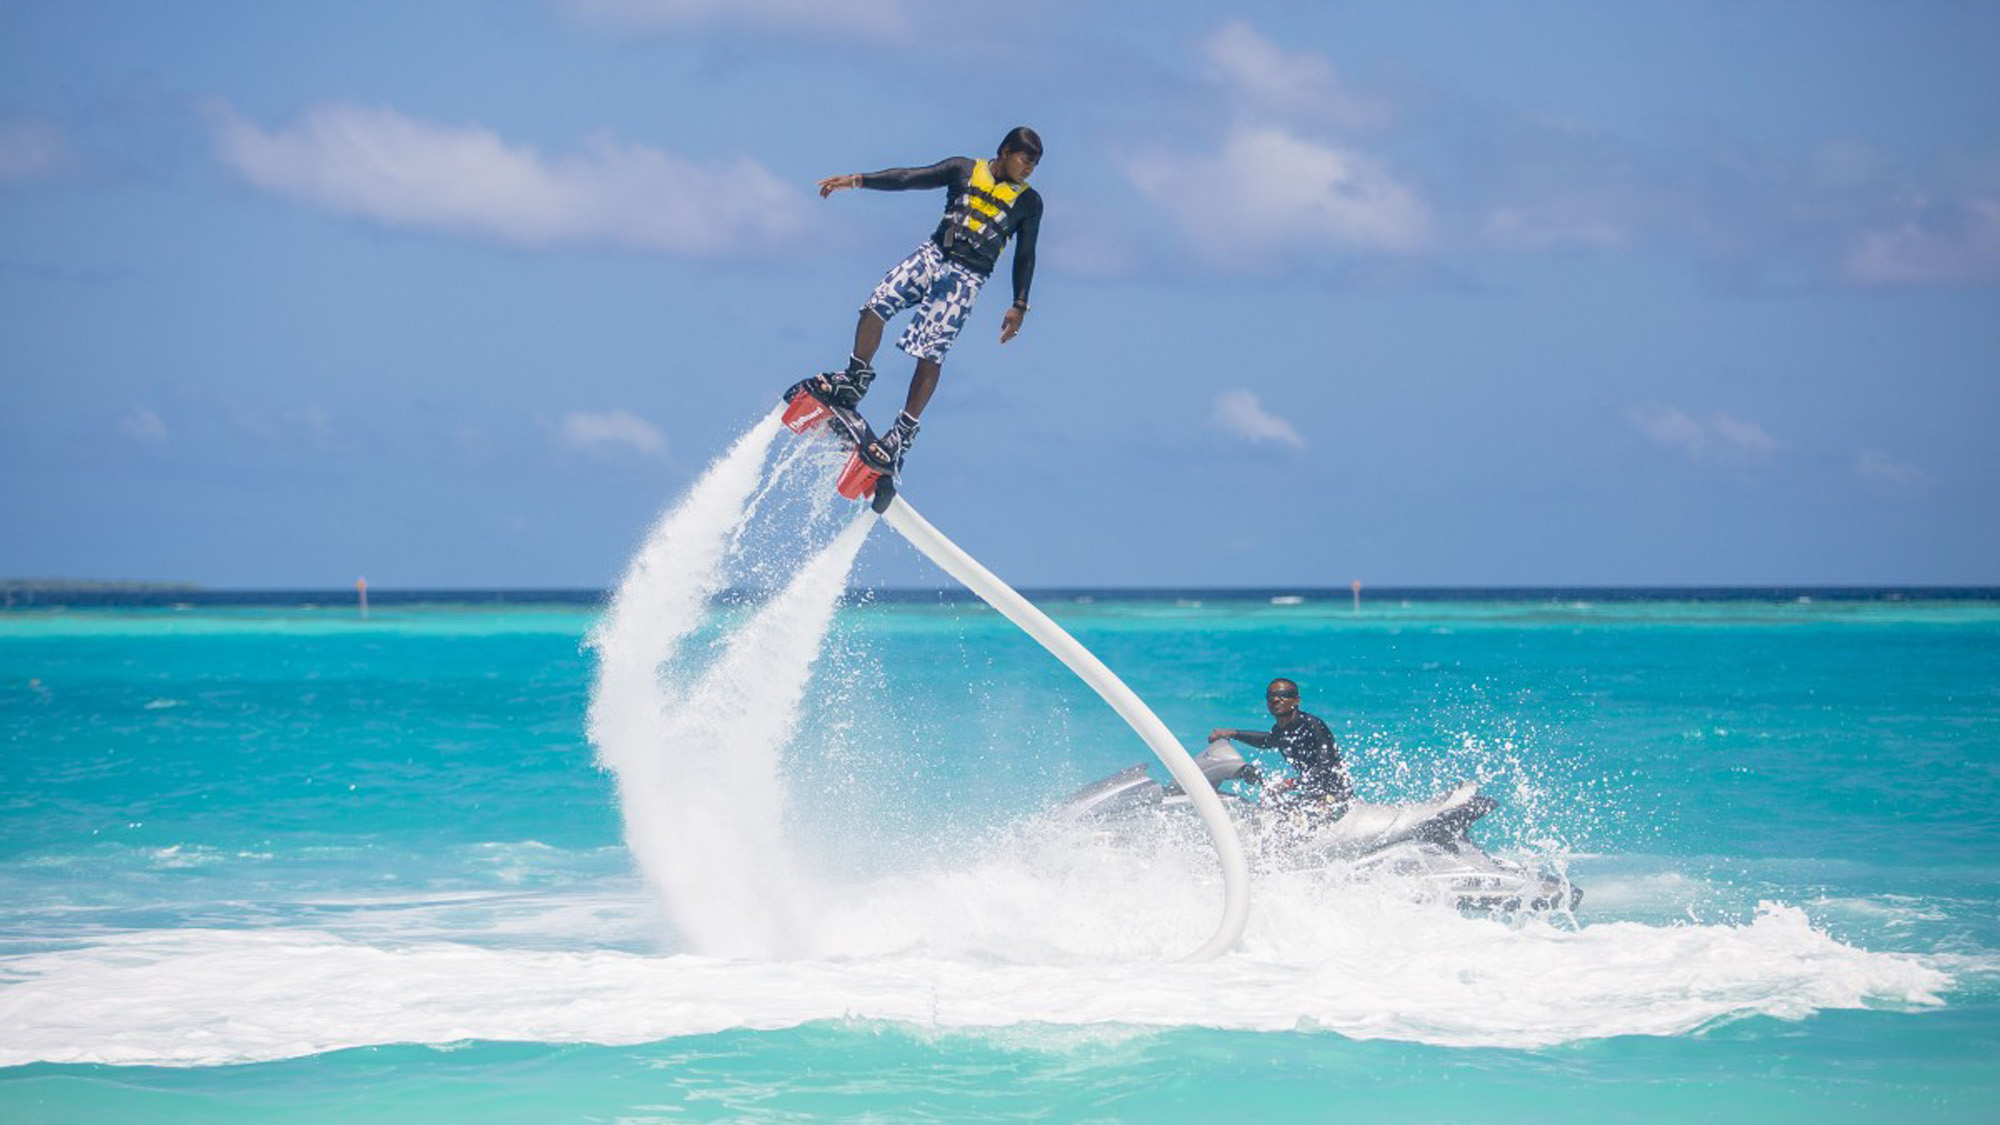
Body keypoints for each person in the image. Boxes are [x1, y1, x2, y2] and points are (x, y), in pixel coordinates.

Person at [786, 126, 1045, 478]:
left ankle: (901, 434)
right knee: (876, 304)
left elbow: (1025, 255)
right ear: (1004, 151)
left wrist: (1019, 304)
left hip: (966, 277)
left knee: (930, 353)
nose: (1029, 169)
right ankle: (854, 379)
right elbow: (909, 178)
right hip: (933, 254)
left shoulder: (1029, 203)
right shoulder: (963, 169)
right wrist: (857, 180)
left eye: (1034, 164)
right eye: (1025, 160)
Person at [1209, 678, 1353, 809]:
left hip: (1336, 795)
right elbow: (1268, 741)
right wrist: (1232, 733)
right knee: (1274, 812)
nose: (1275, 699)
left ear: (1296, 700)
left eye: (1283, 694)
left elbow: (1326, 767)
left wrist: (1290, 783)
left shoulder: (1312, 725)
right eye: (1270, 696)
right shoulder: (1280, 730)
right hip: (1314, 793)